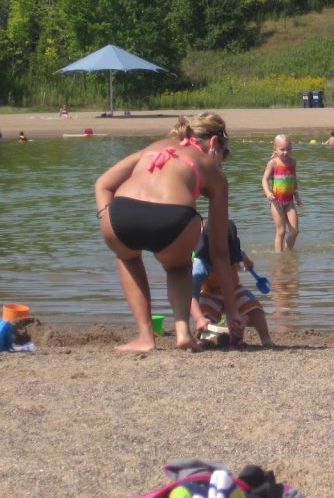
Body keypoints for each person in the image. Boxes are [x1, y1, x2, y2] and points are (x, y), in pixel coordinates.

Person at [94, 112, 239, 352]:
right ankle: (183, 331)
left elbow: (103, 184)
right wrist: (232, 311)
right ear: (214, 143)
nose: (220, 164)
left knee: (127, 256)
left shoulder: (153, 147)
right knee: (178, 267)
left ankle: (145, 337)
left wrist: (106, 217)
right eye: (222, 157)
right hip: (173, 220)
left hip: (120, 215)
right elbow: (219, 252)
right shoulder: (211, 169)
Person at [191, 220, 272, 347]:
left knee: (256, 309)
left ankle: (266, 339)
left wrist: (248, 263)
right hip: (210, 293)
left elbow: (243, 255)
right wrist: (199, 318)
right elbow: (192, 296)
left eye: (229, 255)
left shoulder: (234, 250)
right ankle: (205, 339)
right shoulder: (200, 265)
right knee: (206, 314)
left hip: (234, 289)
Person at [261, 134, 300, 252]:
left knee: (295, 231)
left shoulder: (293, 162)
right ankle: (279, 257)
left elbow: (293, 178)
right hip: (276, 202)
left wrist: (296, 194)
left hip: (289, 202)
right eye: (282, 150)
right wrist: (268, 192)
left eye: (288, 149)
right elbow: (264, 179)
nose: (285, 152)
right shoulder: (273, 163)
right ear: (275, 149)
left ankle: (287, 253)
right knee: (281, 231)